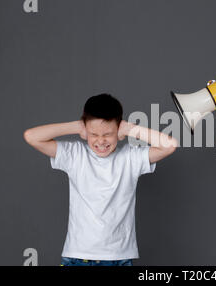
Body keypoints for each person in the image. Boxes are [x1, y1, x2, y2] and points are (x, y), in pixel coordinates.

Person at [24, 93, 177, 266]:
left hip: (118, 258)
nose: (101, 141)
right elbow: (31, 136)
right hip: (78, 256)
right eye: (94, 134)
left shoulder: (130, 158)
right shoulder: (74, 155)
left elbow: (169, 145)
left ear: (118, 131)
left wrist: (130, 129)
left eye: (108, 134)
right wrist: (76, 126)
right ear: (85, 131)